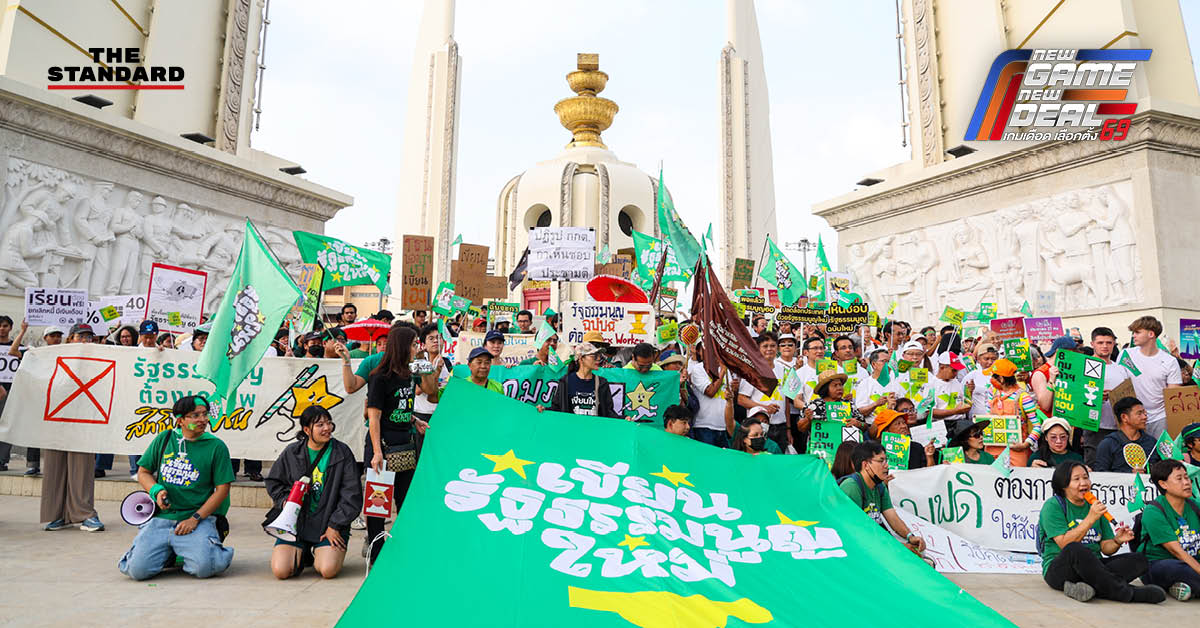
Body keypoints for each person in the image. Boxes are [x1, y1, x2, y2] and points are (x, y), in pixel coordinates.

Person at [118, 395, 234, 580]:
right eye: (195, 415)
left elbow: (222, 490)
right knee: (136, 571)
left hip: (197, 519)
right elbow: (143, 472)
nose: (203, 420)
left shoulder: (216, 447)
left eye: (205, 414)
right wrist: (156, 490)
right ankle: (173, 551)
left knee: (204, 568)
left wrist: (195, 519)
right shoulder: (165, 438)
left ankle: (206, 547)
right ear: (180, 420)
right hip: (162, 518)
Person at [1037, 461, 1162, 603]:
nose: (1084, 483)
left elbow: (1105, 549)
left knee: (1139, 560)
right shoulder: (1053, 505)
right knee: (1075, 549)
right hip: (1060, 569)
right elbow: (1065, 544)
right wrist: (1090, 518)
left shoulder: (1094, 505)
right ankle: (1126, 593)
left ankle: (1089, 588)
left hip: (1094, 567)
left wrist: (1117, 541)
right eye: (1077, 479)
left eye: (1085, 477)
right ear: (1063, 485)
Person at [365, 326, 435, 565]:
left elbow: (430, 391)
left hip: (405, 444)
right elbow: (374, 416)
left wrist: (413, 419)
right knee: (378, 503)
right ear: (402, 345)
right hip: (382, 446)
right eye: (415, 344)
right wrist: (376, 452)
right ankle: (376, 553)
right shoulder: (379, 377)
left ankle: (401, 548)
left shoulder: (410, 373)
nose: (418, 348)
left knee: (405, 501)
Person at [267, 406, 362, 580]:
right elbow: (274, 482)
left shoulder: (342, 452)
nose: (327, 428)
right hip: (297, 525)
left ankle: (319, 552)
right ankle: (303, 553)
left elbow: (352, 495)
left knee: (327, 570)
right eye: (319, 425)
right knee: (281, 571)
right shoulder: (292, 452)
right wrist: (284, 502)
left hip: (328, 524)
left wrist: (335, 525)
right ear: (306, 430)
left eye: (328, 423)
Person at [41, 323, 104, 532]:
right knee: (54, 467)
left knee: (82, 468)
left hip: (84, 419)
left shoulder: (100, 358)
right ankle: (57, 514)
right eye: (81, 336)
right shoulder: (52, 356)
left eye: (89, 337)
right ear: (70, 339)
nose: (85, 341)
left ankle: (84, 513)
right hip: (56, 418)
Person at [838, 442, 928, 560]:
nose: (886, 466)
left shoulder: (879, 486)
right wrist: (898, 547)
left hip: (873, 546)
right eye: (881, 461)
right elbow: (854, 532)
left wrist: (910, 537)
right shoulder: (851, 487)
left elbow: (892, 517)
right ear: (866, 465)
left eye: (886, 461)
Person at [1140, 459, 1200, 600]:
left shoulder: (1195, 506)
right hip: (1159, 564)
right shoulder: (1153, 511)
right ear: (1163, 484)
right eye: (1179, 479)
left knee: (1190, 570)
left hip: (1191, 559)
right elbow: (1175, 551)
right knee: (1181, 569)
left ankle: (1184, 587)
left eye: (1186, 477)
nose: (1186, 482)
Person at [1122, 316, 1182, 438]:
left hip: (1160, 418)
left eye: (1137, 332)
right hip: (1132, 418)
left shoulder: (1169, 361)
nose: (1134, 336)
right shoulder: (1126, 355)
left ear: (1151, 334)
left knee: (1159, 456)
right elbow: (1119, 383)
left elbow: (1173, 397)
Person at [1082, 327, 1133, 466]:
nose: (1105, 346)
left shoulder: (1121, 369)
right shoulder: (1083, 366)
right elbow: (1075, 394)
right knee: (1096, 466)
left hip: (1119, 427)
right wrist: (1096, 396)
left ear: (1114, 344)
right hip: (1094, 426)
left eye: (1109, 343)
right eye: (1100, 343)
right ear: (1092, 344)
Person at [982, 358, 1042, 466]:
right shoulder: (993, 392)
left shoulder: (1023, 397)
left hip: (1016, 451)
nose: (991, 379)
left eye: (993, 376)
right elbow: (988, 417)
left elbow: (1037, 426)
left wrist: (1025, 444)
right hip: (992, 449)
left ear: (1001, 378)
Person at [736, 333, 789, 452]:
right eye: (765, 346)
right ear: (758, 349)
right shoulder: (752, 371)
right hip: (759, 427)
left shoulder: (783, 369)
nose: (769, 349)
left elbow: (785, 399)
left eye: (772, 346)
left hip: (781, 425)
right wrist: (764, 408)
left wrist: (788, 428)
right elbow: (741, 399)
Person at [543, 343, 619, 418]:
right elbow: (557, 408)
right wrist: (544, 409)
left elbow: (608, 412)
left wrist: (624, 419)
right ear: (581, 358)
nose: (598, 359)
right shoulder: (566, 381)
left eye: (599, 356)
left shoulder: (602, 383)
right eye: (594, 356)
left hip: (593, 429)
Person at [1094, 397, 1160, 473]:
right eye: (1139, 413)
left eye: (1144, 413)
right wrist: (1129, 474)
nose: (1144, 417)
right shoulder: (1108, 444)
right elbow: (1100, 475)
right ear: (1124, 417)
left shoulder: (1152, 443)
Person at [801, 370, 867, 436]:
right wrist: (807, 419)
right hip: (822, 444)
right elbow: (801, 428)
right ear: (825, 389)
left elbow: (865, 426)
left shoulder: (849, 404)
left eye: (840, 385)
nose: (839, 388)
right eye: (835, 385)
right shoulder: (814, 405)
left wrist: (859, 424)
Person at [687, 351, 730, 448]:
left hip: (723, 426)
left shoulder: (726, 369)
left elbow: (727, 396)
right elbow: (710, 392)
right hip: (704, 426)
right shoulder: (698, 369)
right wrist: (722, 371)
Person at [413, 323, 452, 422]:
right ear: (424, 344)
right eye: (431, 338)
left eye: (439, 338)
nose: (436, 341)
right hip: (422, 414)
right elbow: (417, 391)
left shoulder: (447, 363)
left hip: (442, 413)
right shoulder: (419, 361)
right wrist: (435, 371)